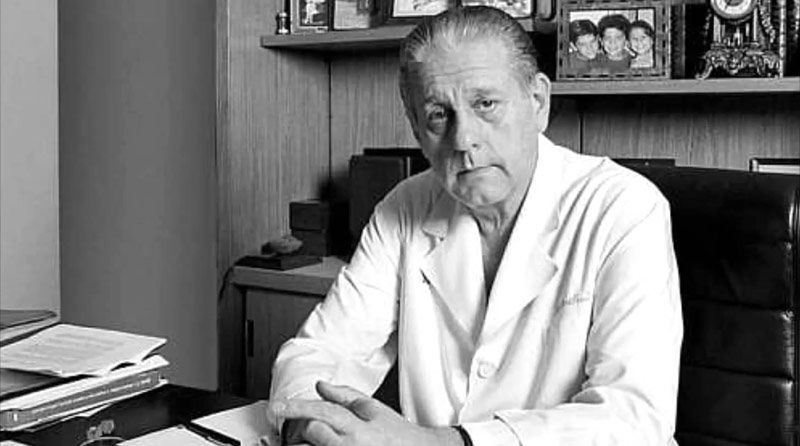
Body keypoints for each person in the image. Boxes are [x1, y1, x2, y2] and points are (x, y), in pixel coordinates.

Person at [265, 6, 682, 446]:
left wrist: (440, 443)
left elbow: (634, 419)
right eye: (438, 115)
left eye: (486, 104)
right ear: (416, 128)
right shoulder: (404, 207)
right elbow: (319, 352)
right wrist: (309, 424)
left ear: (538, 102)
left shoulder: (623, 208)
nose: (464, 139)